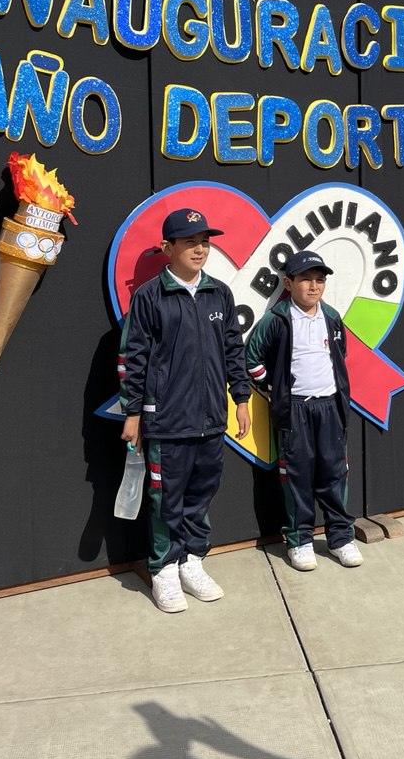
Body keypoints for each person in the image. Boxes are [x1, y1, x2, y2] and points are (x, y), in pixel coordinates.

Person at [120, 207, 251, 614]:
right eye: (190, 242)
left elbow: (234, 350)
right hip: (167, 421)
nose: (200, 249)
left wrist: (241, 398)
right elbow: (133, 358)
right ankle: (164, 568)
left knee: (201, 493)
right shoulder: (149, 296)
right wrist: (133, 412)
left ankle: (192, 561)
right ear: (167, 247)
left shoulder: (219, 293)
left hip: (211, 419)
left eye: (205, 242)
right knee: (166, 499)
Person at [245, 250, 362, 571]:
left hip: (330, 407)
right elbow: (252, 360)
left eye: (320, 280)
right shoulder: (276, 319)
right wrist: (277, 388)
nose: (314, 286)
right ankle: (300, 540)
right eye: (306, 279)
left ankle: (341, 537)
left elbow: (339, 356)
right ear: (288, 283)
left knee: (334, 473)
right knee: (296, 475)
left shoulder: (332, 317)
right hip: (294, 409)